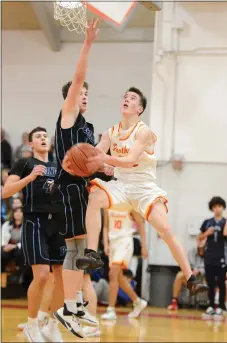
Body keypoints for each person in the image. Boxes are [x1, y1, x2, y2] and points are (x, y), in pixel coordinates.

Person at [63, 86, 208, 299]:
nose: (126, 99)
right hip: (121, 186)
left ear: (139, 108)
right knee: (94, 197)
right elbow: (96, 156)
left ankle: (190, 277)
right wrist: (82, 163)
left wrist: (107, 161)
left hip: (144, 188)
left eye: (132, 98)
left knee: (165, 229)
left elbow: (130, 161)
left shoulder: (143, 131)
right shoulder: (111, 132)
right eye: (125, 97)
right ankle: (92, 253)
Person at [52, 18, 111, 338]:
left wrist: (106, 162)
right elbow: (77, 78)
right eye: (80, 92)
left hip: (79, 188)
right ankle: (69, 307)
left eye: (87, 92)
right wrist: (87, 43)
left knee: (76, 250)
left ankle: (72, 307)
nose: (84, 94)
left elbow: (94, 159)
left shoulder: (87, 127)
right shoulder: (69, 114)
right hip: (67, 187)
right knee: (75, 249)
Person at [2, 127, 65, 342]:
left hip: (56, 223)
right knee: (42, 275)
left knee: (61, 277)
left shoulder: (58, 167)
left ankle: (52, 326)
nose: (43, 138)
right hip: (34, 221)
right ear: (30, 144)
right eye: (38, 136)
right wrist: (30, 178)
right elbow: (6, 192)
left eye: (46, 136)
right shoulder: (25, 164)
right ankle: (31, 324)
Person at [101, 209, 148, 320]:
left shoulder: (129, 203)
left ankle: (111, 309)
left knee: (112, 273)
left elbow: (141, 223)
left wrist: (144, 246)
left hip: (125, 241)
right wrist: (106, 244)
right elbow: (105, 226)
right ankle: (137, 301)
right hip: (113, 243)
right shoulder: (108, 204)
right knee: (118, 276)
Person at [198, 196, 227, 319]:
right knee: (210, 282)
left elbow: (226, 234)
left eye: (219, 206)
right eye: (215, 206)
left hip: (221, 255)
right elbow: (199, 238)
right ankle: (211, 305)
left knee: (221, 282)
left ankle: (221, 307)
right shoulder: (207, 222)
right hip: (209, 255)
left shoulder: (225, 222)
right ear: (212, 208)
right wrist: (207, 233)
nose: (217, 209)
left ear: (223, 207)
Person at [168, 238, 206, 311]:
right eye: (199, 240)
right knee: (180, 275)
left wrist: (199, 270)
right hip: (192, 278)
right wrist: (191, 271)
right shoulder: (191, 252)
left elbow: (209, 267)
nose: (200, 242)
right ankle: (174, 302)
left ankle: (215, 305)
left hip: (204, 279)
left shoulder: (210, 252)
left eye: (203, 240)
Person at [1, 207, 24, 271]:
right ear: (13, 214)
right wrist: (4, 246)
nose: (18, 213)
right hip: (7, 246)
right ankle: (3, 273)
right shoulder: (7, 224)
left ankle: (20, 275)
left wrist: (15, 246)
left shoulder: (26, 225)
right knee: (2, 253)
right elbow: (2, 237)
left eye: (20, 212)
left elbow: (26, 241)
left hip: (19, 247)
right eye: (16, 212)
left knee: (20, 254)